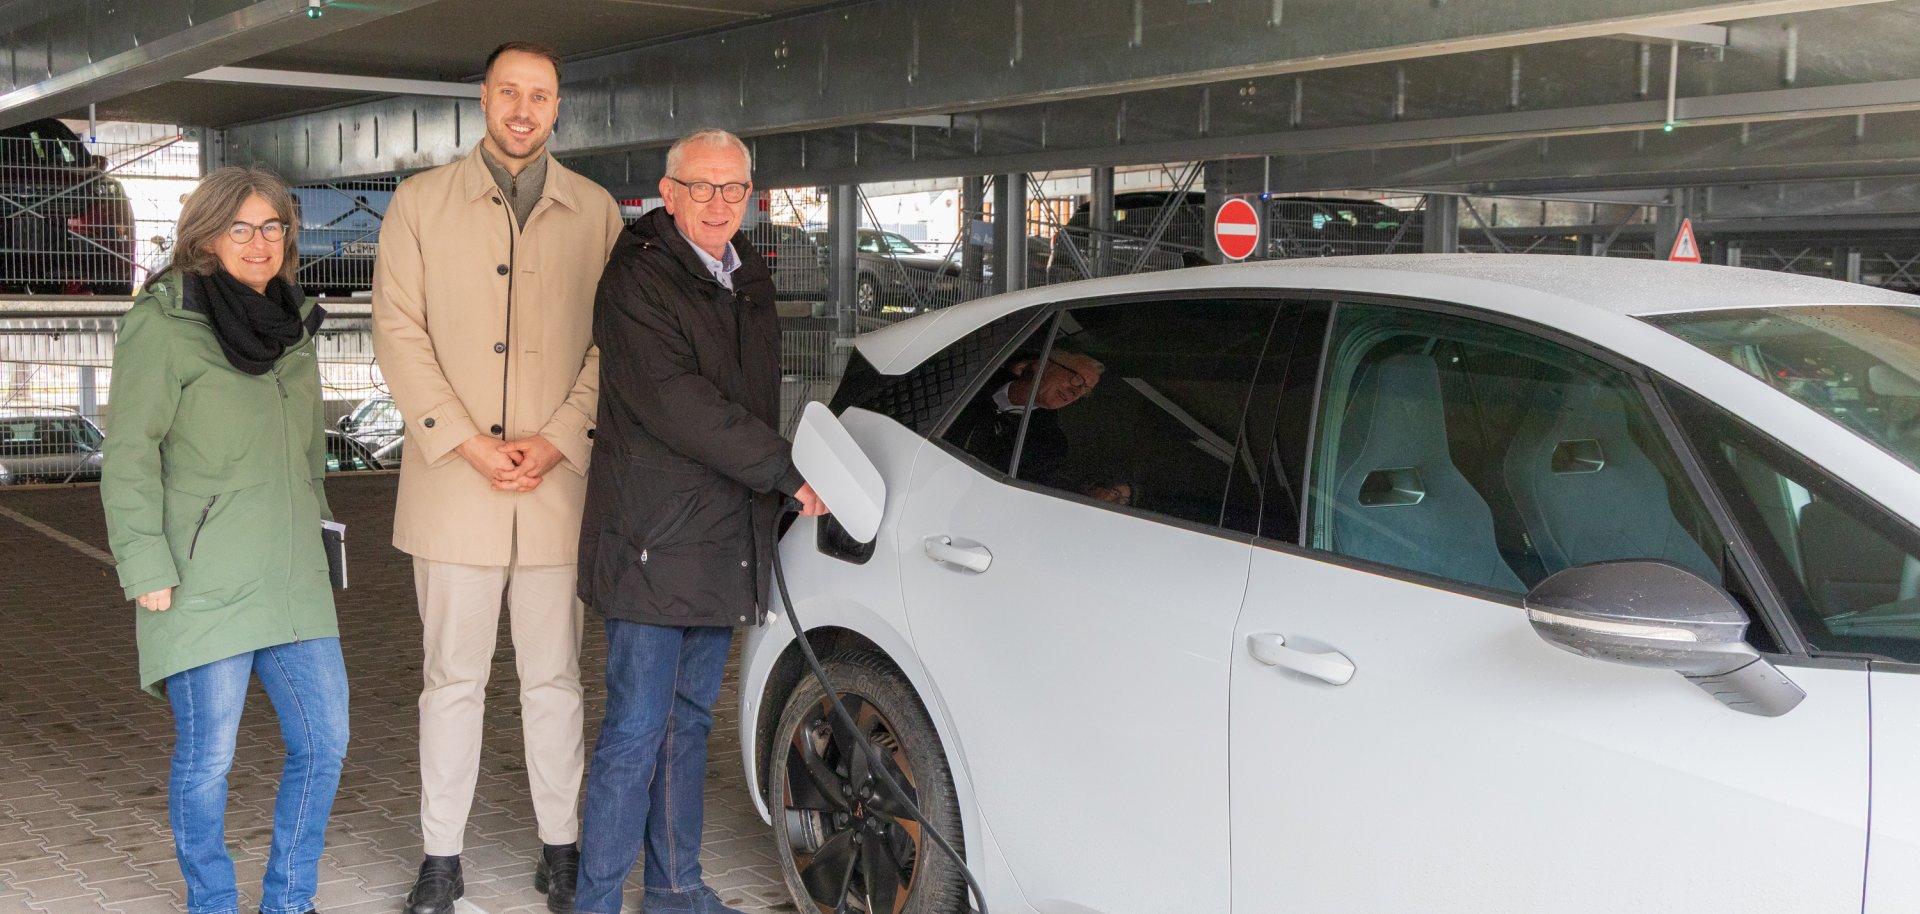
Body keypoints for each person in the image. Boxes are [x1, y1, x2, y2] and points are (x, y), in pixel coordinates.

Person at [370, 40, 623, 914]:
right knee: (452, 682)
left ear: (559, 108)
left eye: (541, 95)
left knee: (556, 682)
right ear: (483, 97)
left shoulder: (596, 213)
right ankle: (441, 860)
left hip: (558, 491)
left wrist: (556, 438)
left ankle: (563, 850)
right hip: (453, 489)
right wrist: (467, 442)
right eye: (509, 91)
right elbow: (397, 333)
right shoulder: (418, 204)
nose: (524, 109)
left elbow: (615, 347)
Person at [574, 128, 827, 914]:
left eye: (734, 189)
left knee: (687, 726)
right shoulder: (637, 280)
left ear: (749, 196)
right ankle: (597, 899)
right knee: (636, 732)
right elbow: (681, 405)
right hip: (653, 538)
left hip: (722, 536)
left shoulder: (745, 274)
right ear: (668, 190)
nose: (719, 203)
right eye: (702, 187)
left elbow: (749, 400)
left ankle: (677, 889)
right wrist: (786, 472)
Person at [101, 166, 348, 914]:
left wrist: (323, 547)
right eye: (240, 227)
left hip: (291, 574)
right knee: (209, 759)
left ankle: (289, 900)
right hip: (200, 578)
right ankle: (211, 901)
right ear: (205, 235)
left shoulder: (295, 326)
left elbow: (310, 460)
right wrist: (145, 564)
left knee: (326, 742)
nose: (259, 242)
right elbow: (130, 455)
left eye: (272, 226)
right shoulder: (165, 321)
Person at [946, 348, 1104, 483]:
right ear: (1041, 364)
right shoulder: (971, 377)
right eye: (1076, 379)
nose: (1076, 392)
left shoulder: (1048, 447)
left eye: (1085, 390)